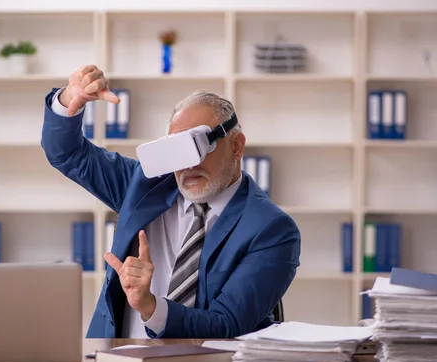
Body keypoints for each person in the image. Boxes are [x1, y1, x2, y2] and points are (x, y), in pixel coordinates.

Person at [41, 65, 301, 339]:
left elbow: (228, 323)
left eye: (197, 146)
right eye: (176, 149)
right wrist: (70, 100)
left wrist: (150, 307)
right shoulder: (144, 186)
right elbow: (67, 154)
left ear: (236, 146)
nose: (187, 165)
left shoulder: (272, 230)